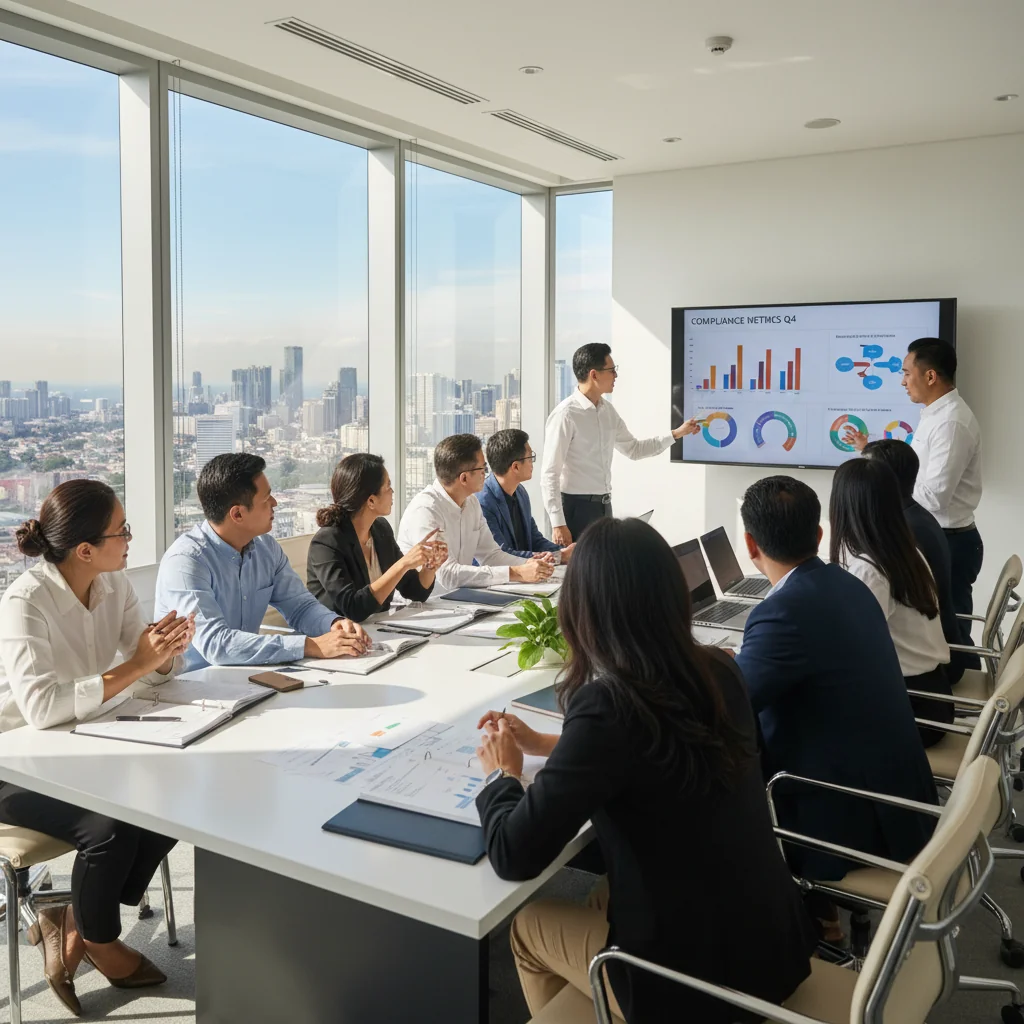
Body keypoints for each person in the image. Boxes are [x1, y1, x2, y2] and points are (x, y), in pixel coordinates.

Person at [474, 517, 817, 1023]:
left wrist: (502, 774)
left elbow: (513, 854)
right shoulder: (719, 669)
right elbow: (659, 752)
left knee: (528, 926)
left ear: (582, 609)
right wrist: (552, 743)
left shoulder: (608, 706)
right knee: (600, 893)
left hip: (693, 987)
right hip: (774, 947)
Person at [0, 481, 193, 1016]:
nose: (130, 538)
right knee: (108, 829)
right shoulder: (25, 602)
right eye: (122, 530)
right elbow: (40, 710)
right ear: (85, 549)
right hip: (15, 761)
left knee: (171, 795)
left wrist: (168, 650)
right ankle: (103, 943)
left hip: (81, 745)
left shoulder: (116, 585)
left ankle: (77, 924)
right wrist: (137, 664)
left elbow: (147, 670)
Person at [733, 477, 937, 912]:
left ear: (750, 545)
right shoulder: (849, 585)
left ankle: (788, 917)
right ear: (819, 534)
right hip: (902, 801)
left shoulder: (783, 613)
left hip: (850, 822)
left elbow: (727, 703)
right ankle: (818, 917)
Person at [155, 453, 369, 671]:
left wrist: (333, 624)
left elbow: (300, 607)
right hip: (194, 689)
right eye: (267, 499)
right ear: (237, 514)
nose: (275, 503)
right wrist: (309, 645)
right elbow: (216, 644)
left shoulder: (266, 549)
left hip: (248, 678)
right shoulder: (185, 562)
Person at [844, 337, 982, 644]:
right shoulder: (936, 415)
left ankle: (952, 688)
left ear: (930, 376)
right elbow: (917, 472)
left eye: (907, 373)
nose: (903, 381)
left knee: (952, 637)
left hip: (949, 542)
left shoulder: (951, 423)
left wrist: (882, 481)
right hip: (939, 535)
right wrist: (871, 452)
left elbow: (934, 496)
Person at [830, 458, 952, 745]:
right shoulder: (902, 551)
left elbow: (848, 653)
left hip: (913, 711)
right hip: (933, 695)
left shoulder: (869, 569)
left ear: (841, 506)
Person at [540, 343, 700, 545]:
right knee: (578, 573)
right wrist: (557, 523)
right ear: (594, 375)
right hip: (575, 509)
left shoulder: (608, 411)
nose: (616, 375)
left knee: (604, 570)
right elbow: (549, 473)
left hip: (604, 506)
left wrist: (677, 434)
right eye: (611, 370)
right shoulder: (566, 415)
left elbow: (634, 449)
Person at [862, 438, 965, 683]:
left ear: (883, 481)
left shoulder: (905, 533)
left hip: (931, 667)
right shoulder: (915, 517)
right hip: (938, 649)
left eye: (865, 473)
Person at [397, 434, 553, 594]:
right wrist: (516, 572)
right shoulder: (426, 510)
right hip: (420, 609)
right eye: (482, 469)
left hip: (458, 600)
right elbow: (447, 575)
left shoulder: (471, 503)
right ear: (464, 478)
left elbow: (491, 555)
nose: (486, 474)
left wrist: (531, 564)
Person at [307, 454, 445, 622]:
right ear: (371, 500)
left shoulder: (380, 529)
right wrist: (402, 565)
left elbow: (415, 591)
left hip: (380, 630)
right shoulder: (326, 542)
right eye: (388, 487)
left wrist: (430, 567)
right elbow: (353, 608)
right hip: (339, 638)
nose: (392, 492)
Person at [479, 429, 572, 563]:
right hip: (495, 579)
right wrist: (559, 557)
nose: (532, 463)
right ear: (515, 467)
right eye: (530, 458)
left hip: (523, 576)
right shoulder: (483, 502)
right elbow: (501, 555)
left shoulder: (520, 492)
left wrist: (563, 552)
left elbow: (534, 539)